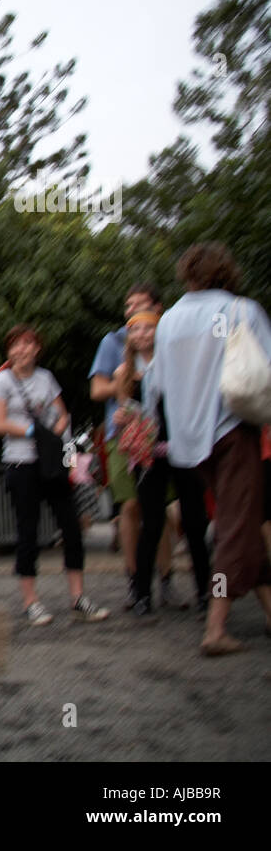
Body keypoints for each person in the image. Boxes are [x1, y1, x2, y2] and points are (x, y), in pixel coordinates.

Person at [145, 242, 271, 655]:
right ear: (225, 270)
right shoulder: (241, 310)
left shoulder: (167, 322)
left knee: (243, 520)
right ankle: (216, 628)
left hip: (189, 441)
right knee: (236, 527)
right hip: (233, 429)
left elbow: (155, 384)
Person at [0, 324, 109, 625]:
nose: (20, 350)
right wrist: (32, 431)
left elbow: (63, 414)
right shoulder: (1, 382)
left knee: (71, 526)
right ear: (9, 350)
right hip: (21, 463)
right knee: (27, 531)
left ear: (37, 348)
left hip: (51, 463)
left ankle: (78, 596)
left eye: (27, 344)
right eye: (14, 345)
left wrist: (55, 435)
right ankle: (31, 602)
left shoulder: (46, 378)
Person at [112, 309, 210, 616]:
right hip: (148, 455)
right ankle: (142, 594)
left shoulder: (175, 364)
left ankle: (208, 593)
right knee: (151, 524)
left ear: (159, 331)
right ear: (129, 337)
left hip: (182, 449)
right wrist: (122, 418)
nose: (142, 334)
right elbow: (123, 414)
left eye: (148, 328)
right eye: (135, 329)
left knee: (195, 522)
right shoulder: (124, 372)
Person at [89, 283, 175, 608]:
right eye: (128, 306)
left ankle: (167, 579)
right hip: (123, 437)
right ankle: (135, 580)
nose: (131, 312)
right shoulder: (113, 342)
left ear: (158, 309)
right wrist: (127, 380)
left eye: (139, 304)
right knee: (129, 506)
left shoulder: (168, 341)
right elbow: (97, 390)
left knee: (161, 510)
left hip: (164, 438)